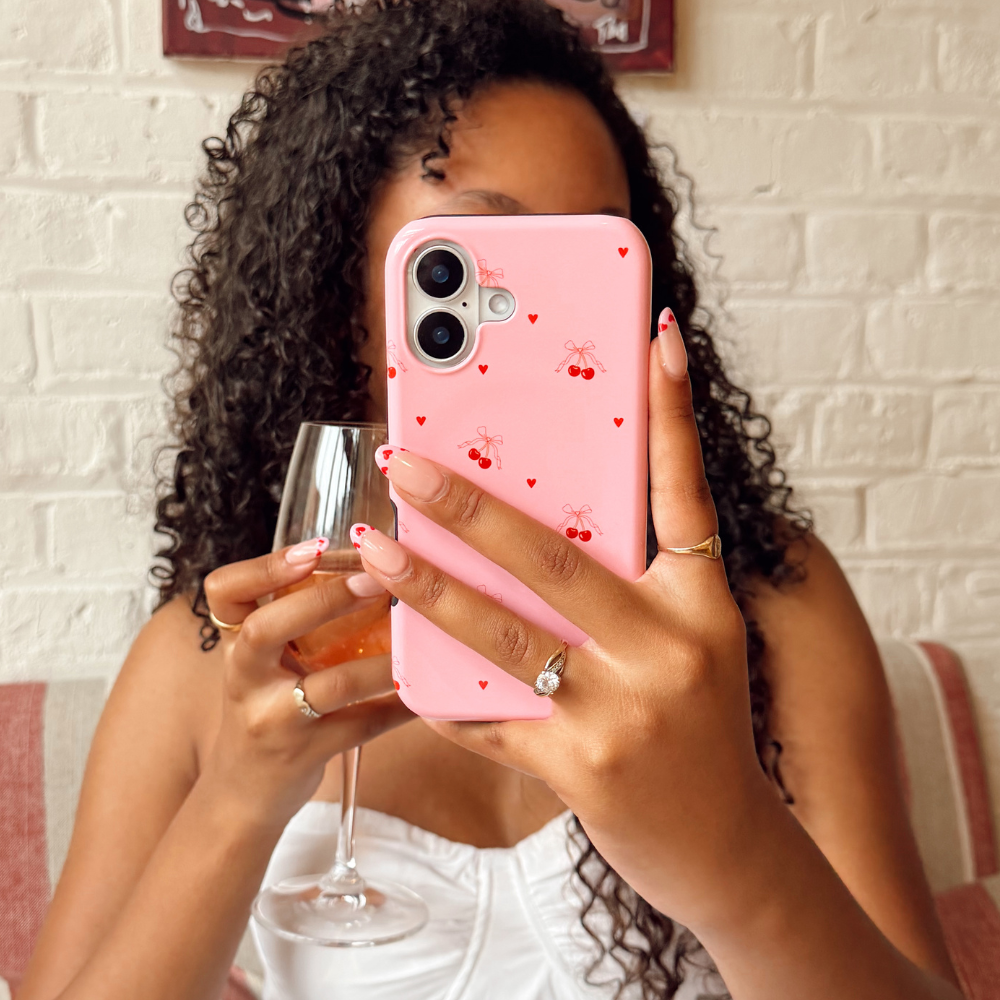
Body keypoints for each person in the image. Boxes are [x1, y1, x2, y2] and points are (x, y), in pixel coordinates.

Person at [20, 2, 962, 999]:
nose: (547, 322)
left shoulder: (770, 604)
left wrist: (736, 855)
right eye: (479, 262)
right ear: (348, 305)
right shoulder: (220, 648)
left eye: (595, 261)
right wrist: (240, 800)